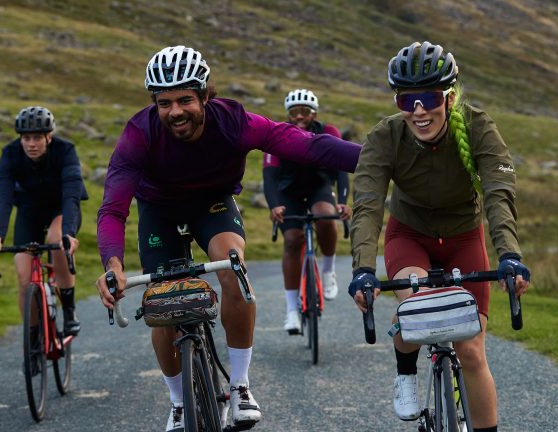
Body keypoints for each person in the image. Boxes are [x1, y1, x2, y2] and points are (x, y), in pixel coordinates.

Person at [96, 45, 361, 431]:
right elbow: (113, 208)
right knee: (162, 305)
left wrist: (375, 159)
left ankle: (239, 387)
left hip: (212, 205)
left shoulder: (234, 121)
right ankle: (178, 403)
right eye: (164, 102)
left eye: (185, 99)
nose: (175, 112)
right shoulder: (139, 133)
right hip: (159, 212)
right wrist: (113, 266)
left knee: (233, 269)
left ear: (205, 95)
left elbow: (308, 146)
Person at [347, 41, 531, 432]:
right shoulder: (385, 137)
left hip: (464, 236)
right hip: (409, 234)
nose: (418, 110)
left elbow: (499, 194)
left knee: (471, 351)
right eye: (406, 100)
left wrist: (510, 256)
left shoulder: (479, 127)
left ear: (448, 97)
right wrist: (363, 268)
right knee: (420, 314)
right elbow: (367, 205)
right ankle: (406, 373)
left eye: (428, 97)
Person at [0, 106, 88, 339]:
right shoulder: (10, 154)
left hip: (61, 208)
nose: (31, 144)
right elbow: (3, 199)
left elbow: (71, 196)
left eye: (37, 138)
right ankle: (32, 338)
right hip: (29, 211)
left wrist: (69, 233)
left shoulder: (65, 150)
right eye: (26, 138)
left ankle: (69, 310)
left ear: (48, 137)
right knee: (24, 277)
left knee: (56, 239)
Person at [263, 88, 352, 335]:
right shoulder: (276, 134)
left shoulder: (328, 132)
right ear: (288, 114)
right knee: (292, 240)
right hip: (288, 192)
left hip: (319, 187)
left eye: (305, 111)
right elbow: (269, 177)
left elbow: (343, 169)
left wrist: (343, 201)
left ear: (314, 113)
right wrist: (273, 206)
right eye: (294, 112)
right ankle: (292, 310)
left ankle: (328, 270)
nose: (299, 117)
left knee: (325, 215)